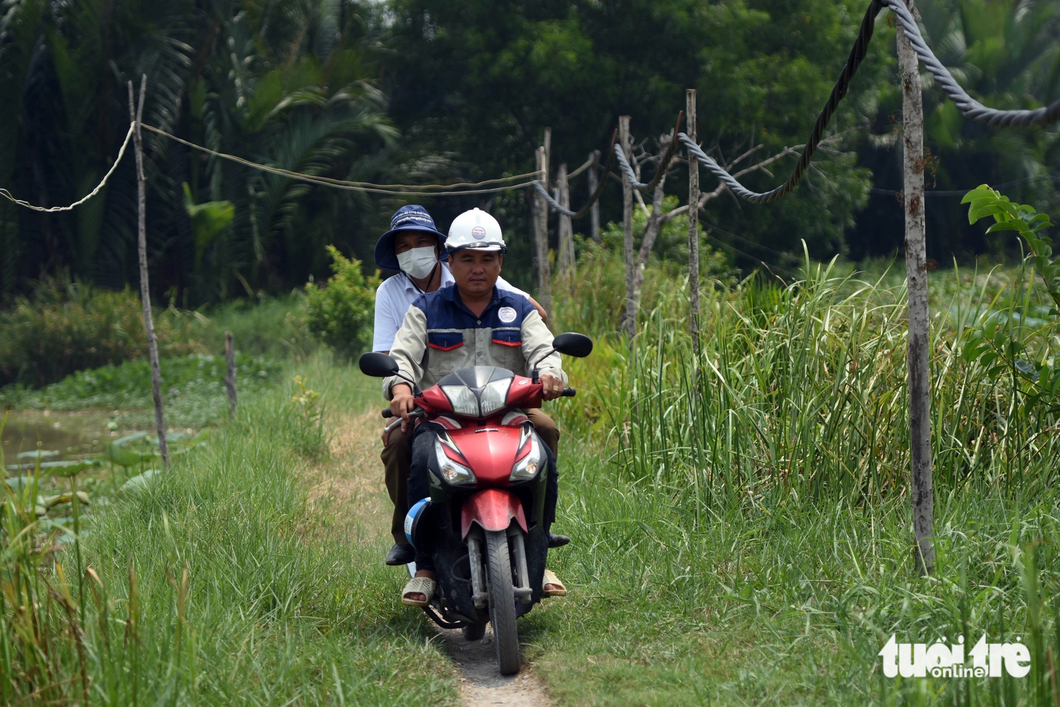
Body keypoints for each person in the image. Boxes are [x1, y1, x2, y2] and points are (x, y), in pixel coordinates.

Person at [382, 208, 567, 604]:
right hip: (443, 420)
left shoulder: (519, 308)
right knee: (414, 455)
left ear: (501, 261)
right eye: (467, 258)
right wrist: (399, 385)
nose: (477, 268)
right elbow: (402, 358)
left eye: (487, 258)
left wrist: (551, 374)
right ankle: (425, 562)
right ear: (450, 261)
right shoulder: (426, 309)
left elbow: (544, 351)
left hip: (509, 414)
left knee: (547, 432)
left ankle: (540, 542)